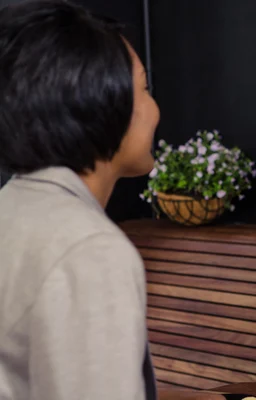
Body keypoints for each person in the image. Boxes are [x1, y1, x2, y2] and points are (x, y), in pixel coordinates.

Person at [0, 1, 160, 399]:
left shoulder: (12, 207)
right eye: (143, 88)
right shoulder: (89, 249)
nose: (155, 109)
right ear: (101, 101)